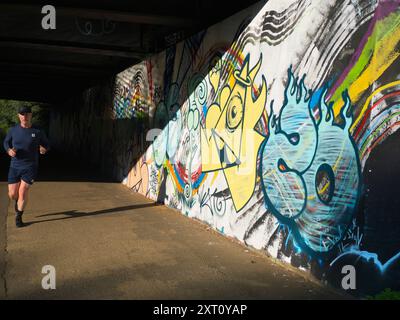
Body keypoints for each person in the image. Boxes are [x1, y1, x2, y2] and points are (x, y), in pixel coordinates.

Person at [3, 105, 50, 228]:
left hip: (30, 166)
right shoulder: (13, 130)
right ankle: (17, 203)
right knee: (13, 194)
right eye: (22, 114)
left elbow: (47, 144)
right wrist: (9, 151)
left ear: (31, 115)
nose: (25, 116)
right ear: (19, 116)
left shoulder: (38, 131)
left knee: (23, 191)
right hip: (15, 166)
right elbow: (5, 142)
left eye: (27, 114)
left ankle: (19, 216)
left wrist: (44, 149)